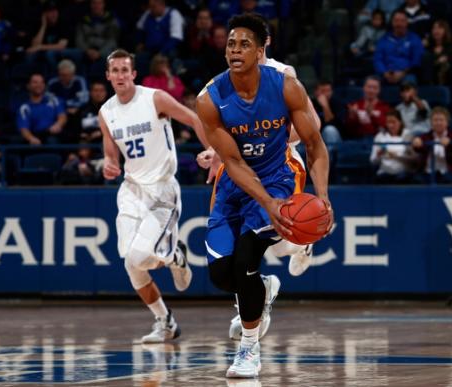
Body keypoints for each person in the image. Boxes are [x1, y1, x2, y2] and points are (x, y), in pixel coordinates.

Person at [195, 14, 332, 378]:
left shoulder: (286, 86)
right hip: (235, 183)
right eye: (230, 44)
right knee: (223, 275)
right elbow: (234, 162)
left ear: (260, 51)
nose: (235, 50)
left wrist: (322, 197)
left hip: (278, 177)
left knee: (246, 257)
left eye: (243, 45)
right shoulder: (210, 99)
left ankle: (249, 350)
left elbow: (316, 144)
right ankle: (264, 287)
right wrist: (265, 203)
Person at [98, 49, 210, 344]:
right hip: (132, 190)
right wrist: (108, 164)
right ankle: (165, 321)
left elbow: (195, 120)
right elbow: (110, 151)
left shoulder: (155, 98)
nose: (120, 75)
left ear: (134, 74)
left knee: (139, 256)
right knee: (131, 265)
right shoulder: (106, 112)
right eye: (115, 70)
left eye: (125, 70)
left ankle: (174, 255)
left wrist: (212, 151)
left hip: (162, 188)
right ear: (108, 76)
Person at [411, 107, 452, 184]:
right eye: (435, 120)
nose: (438, 123)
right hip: (427, 172)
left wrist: (450, 144)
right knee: (416, 180)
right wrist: (416, 143)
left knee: (449, 180)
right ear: (431, 123)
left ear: (447, 122)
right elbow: (418, 149)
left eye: (441, 120)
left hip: (447, 172)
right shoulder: (425, 136)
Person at [373, 10, 423, 85]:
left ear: (407, 22)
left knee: (409, 82)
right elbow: (378, 59)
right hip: (386, 74)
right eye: (396, 21)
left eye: (402, 21)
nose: (399, 24)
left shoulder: (414, 39)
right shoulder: (384, 39)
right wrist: (384, 73)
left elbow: (416, 61)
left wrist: (402, 73)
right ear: (392, 22)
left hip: (406, 74)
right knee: (371, 82)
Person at [17, 73, 67, 145]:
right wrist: (31, 138)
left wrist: (58, 125)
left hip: (53, 135)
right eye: (35, 82)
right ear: (28, 86)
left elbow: (62, 116)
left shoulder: (54, 100)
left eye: (41, 82)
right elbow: (24, 129)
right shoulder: (24, 108)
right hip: (35, 137)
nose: (39, 85)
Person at [370, 109, 416, 183]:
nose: (391, 125)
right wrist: (379, 155)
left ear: (400, 122)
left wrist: (396, 156)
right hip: (384, 174)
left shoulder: (407, 135)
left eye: (394, 122)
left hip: (403, 174)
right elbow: (373, 161)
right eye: (388, 122)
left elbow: (413, 160)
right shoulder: (380, 136)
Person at [76, 0, 120, 65]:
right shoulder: (83, 20)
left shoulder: (111, 20)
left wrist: (100, 53)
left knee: (115, 55)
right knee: (74, 53)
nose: (96, 6)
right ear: (90, 5)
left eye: (99, 3)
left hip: (105, 50)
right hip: (86, 50)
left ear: (103, 5)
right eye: (94, 3)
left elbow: (112, 40)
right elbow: (79, 39)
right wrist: (87, 51)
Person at [422, 20, 452, 86]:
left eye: (439, 28)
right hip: (434, 74)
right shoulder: (429, 46)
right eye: (434, 28)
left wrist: (447, 58)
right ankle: (428, 86)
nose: (436, 31)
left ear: (445, 30)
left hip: (450, 75)